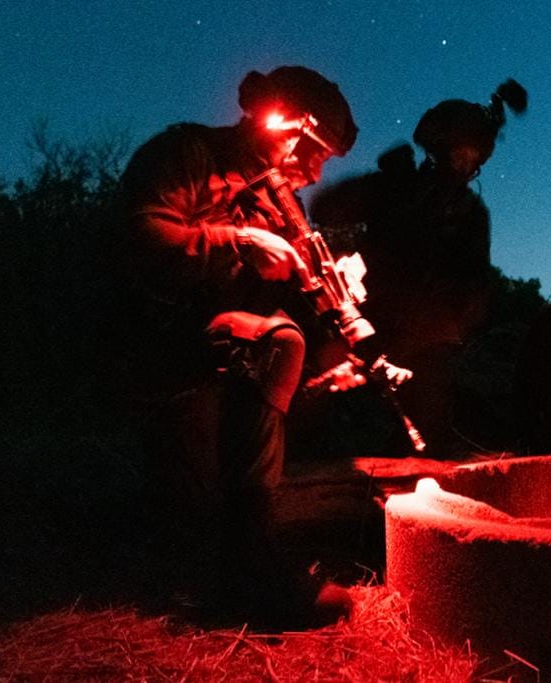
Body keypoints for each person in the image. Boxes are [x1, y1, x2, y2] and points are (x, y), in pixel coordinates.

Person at [116, 66, 369, 629]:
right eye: (309, 146)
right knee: (277, 341)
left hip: (232, 356)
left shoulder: (283, 205)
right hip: (163, 345)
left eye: (324, 157)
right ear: (272, 116)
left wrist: (340, 343)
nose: (313, 168)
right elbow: (137, 238)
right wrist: (235, 241)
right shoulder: (187, 154)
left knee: (292, 346)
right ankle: (250, 572)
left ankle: (241, 548)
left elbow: (298, 301)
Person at [307, 79, 527, 456]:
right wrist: (381, 185)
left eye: (472, 155)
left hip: (426, 344)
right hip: (363, 323)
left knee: (427, 429)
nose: (465, 162)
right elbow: (324, 207)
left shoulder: (469, 214)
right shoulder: (396, 187)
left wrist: (445, 327)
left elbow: (476, 288)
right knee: (318, 411)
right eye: (460, 151)